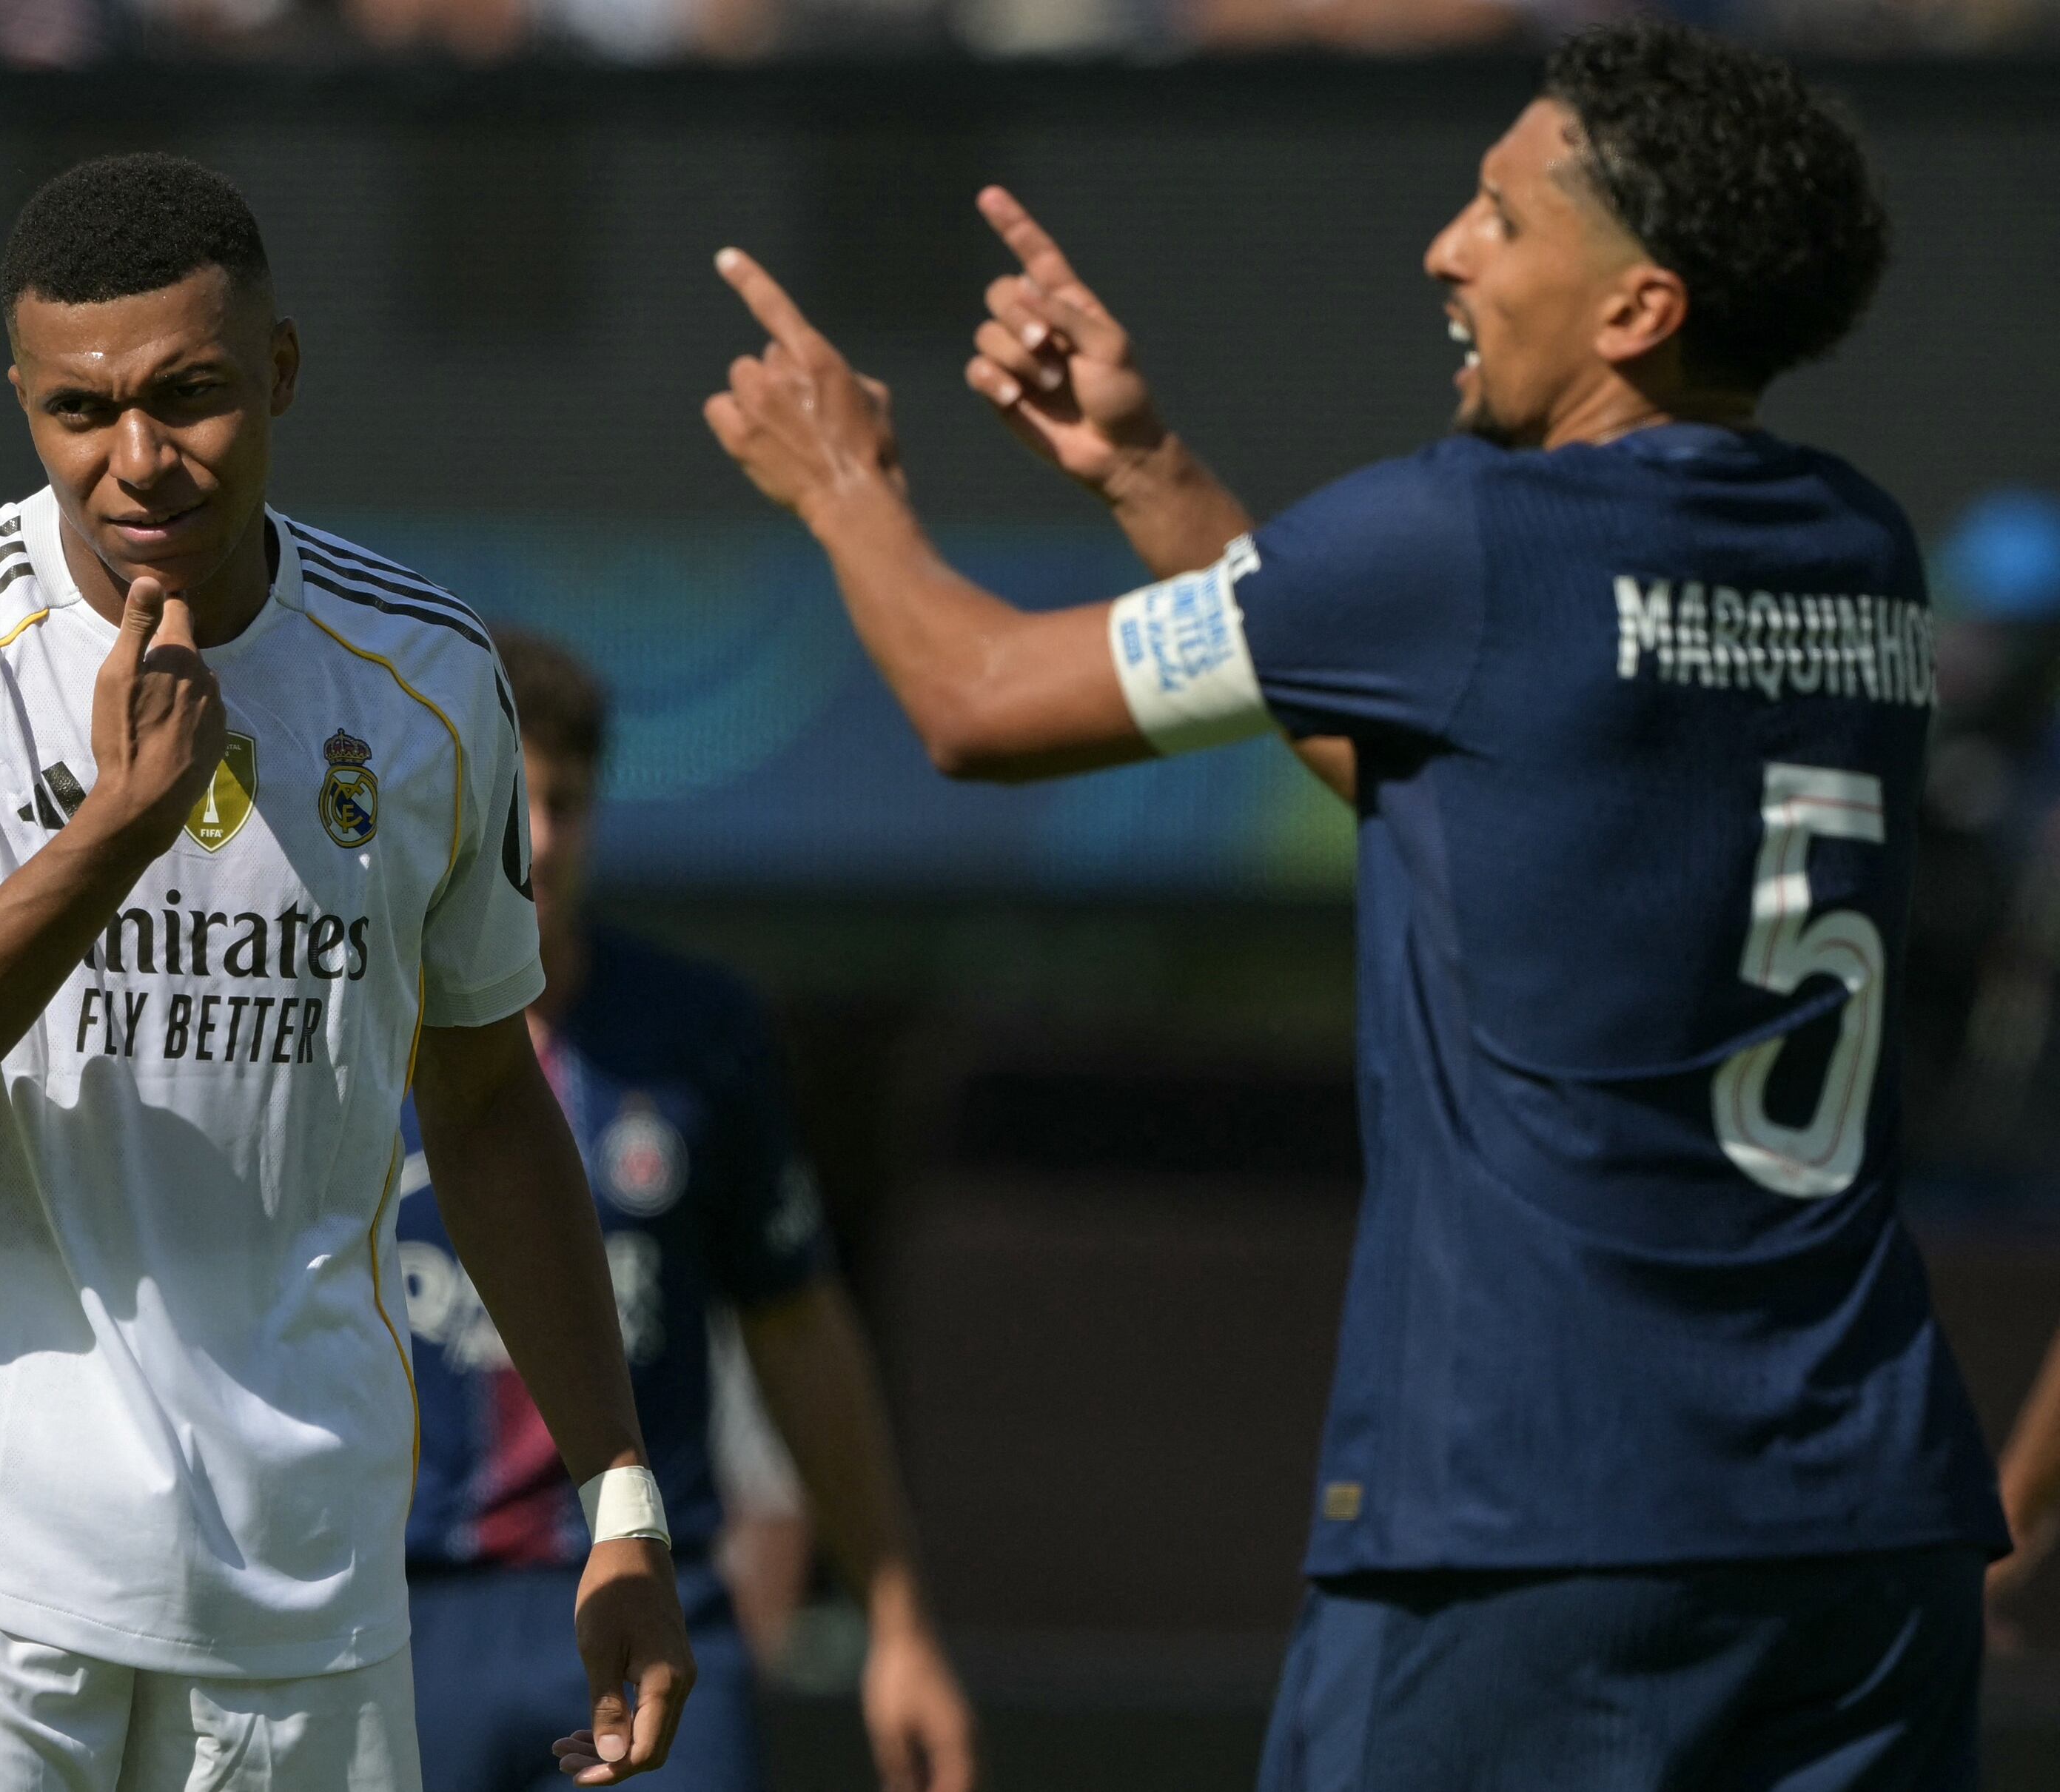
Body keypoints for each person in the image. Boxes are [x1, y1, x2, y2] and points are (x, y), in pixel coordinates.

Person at [702, 21, 2007, 1790]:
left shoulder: (1470, 536)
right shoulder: (1852, 547)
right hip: (1860, 1528)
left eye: (1496, 214)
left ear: (1635, 309)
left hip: (1541, 1520)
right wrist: (1154, 479)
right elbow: (1454, 777)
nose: (1440, 248)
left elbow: (977, 702)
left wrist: (839, 482)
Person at [0, 152, 690, 1791]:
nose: (134, 460)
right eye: (76, 411)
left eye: (188, 395)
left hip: (303, 1590)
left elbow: (484, 1101)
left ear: (278, 371)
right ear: (24, 400)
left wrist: (620, 1491)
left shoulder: (425, 680)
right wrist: (117, 826)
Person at [395, 631, 977, 1792]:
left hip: (652, 1606)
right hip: (400, 1612)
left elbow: (798, 1330)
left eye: (567, 804)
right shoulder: (351, 1027)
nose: (542, 842)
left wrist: (899, 1621)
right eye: (514, 803)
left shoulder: (697, 1032)